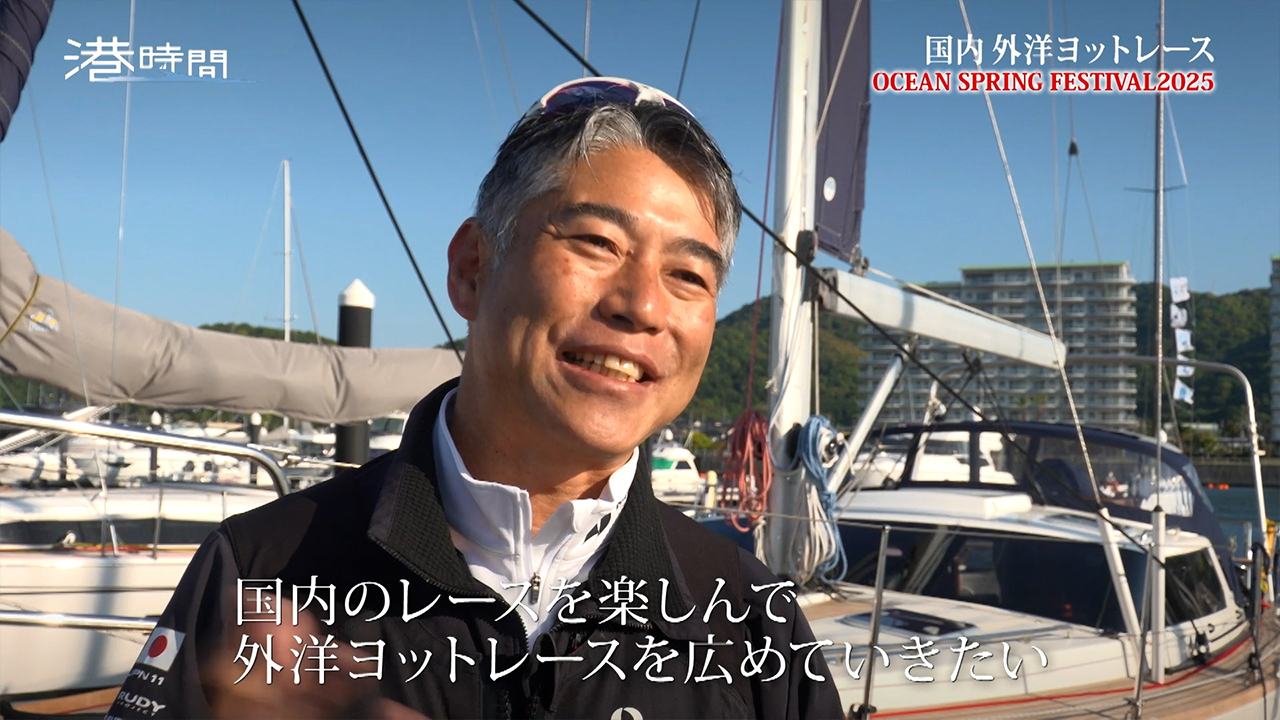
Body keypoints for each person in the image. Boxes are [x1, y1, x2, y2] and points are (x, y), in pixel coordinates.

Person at [106, 77, 845, 720]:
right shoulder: (260, 572)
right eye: (596, 242)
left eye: (689, 276)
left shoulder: (754, 623)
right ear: (471, 268)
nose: (642, 305)